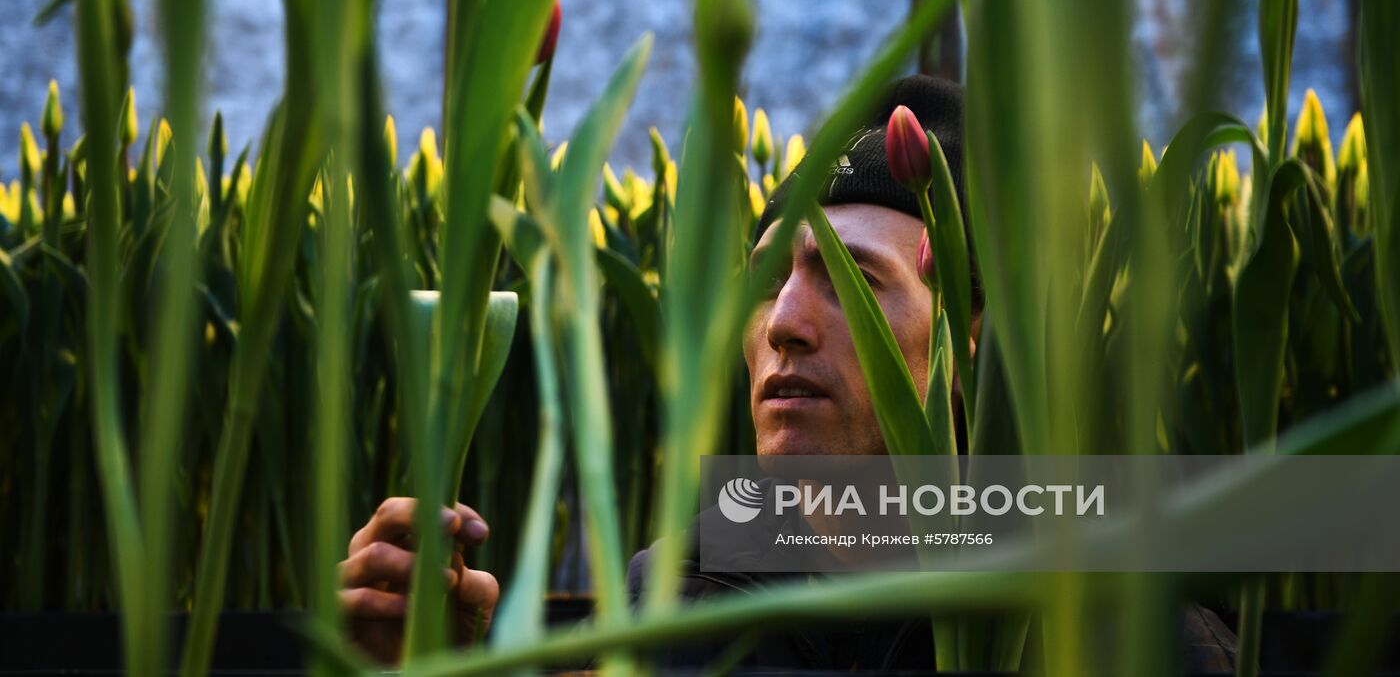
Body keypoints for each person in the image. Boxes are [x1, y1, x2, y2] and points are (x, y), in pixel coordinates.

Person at [341, 76, 1237, 670]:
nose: (785, 326)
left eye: (853, 281)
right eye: (767, 285)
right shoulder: (672, 612)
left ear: (976, 344)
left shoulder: (1120, 630)